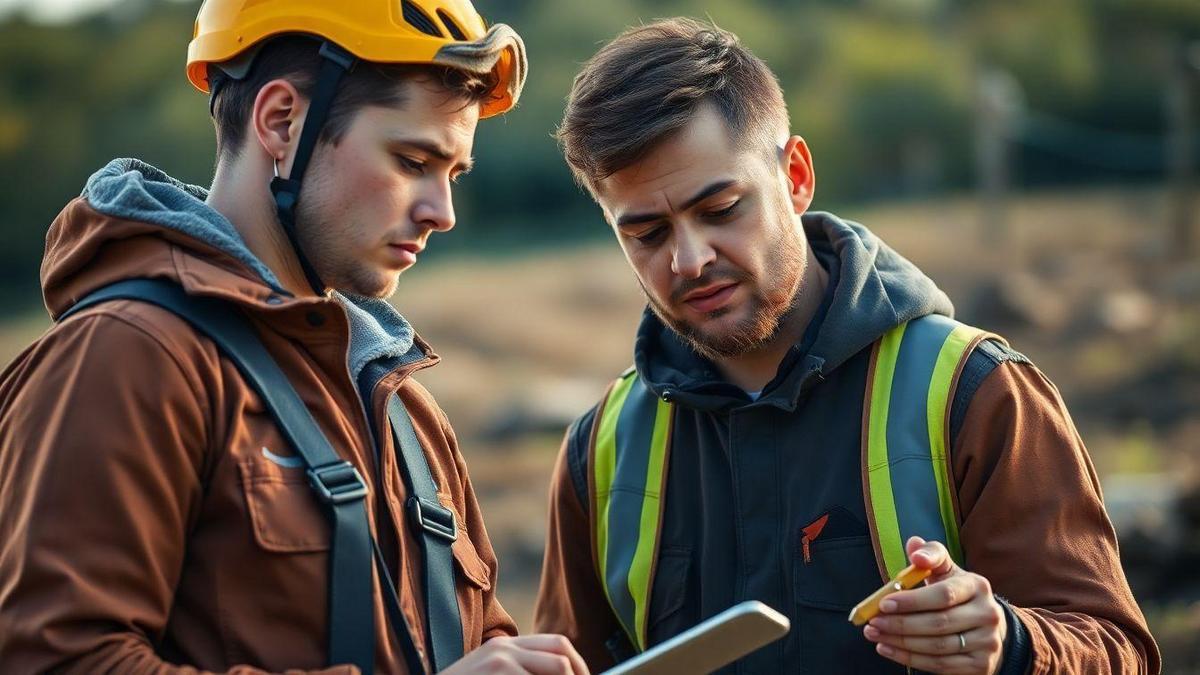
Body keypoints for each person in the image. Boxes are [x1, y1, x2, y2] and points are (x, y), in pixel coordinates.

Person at [534, 17, 1160, 675]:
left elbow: (1119, 651)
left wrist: (1011, 642)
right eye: (647, 234)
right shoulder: (599, 452)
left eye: (720, 210)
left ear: (796, 176)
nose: (689, 260)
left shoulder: (977, 394)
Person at [0, 1, 586, 673]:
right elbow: (54, 659)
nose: (442, 212)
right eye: (412, 160)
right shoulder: (128, 356)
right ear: (282, 122)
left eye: (452, 174)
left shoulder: (406, 411)